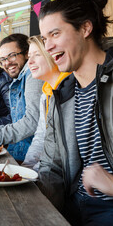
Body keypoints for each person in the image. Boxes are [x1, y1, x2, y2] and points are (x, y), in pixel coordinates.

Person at [38, 0, 113, 225]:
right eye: (45, 39)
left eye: (55, 34)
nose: (48, 46)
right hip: (73, 206)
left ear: (85, 28)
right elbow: (52, 165)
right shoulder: (62, 95)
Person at [0, 34, 44, 162]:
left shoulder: (32, 76)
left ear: (27, 53)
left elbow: (32, 122)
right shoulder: (18, 79)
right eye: (3, 59)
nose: (7, 63)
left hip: (28, 158)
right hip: (15, 152)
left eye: (11, 55)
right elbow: (15, 119)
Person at [21, 36, 70, 171]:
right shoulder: (46, 94)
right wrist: (27, 168)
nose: (30, 62)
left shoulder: (70, 91)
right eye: (29, 56)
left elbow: (61, 150)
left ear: (54, 55)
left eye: (37, 55)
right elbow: (41, 135)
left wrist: (36, 173)